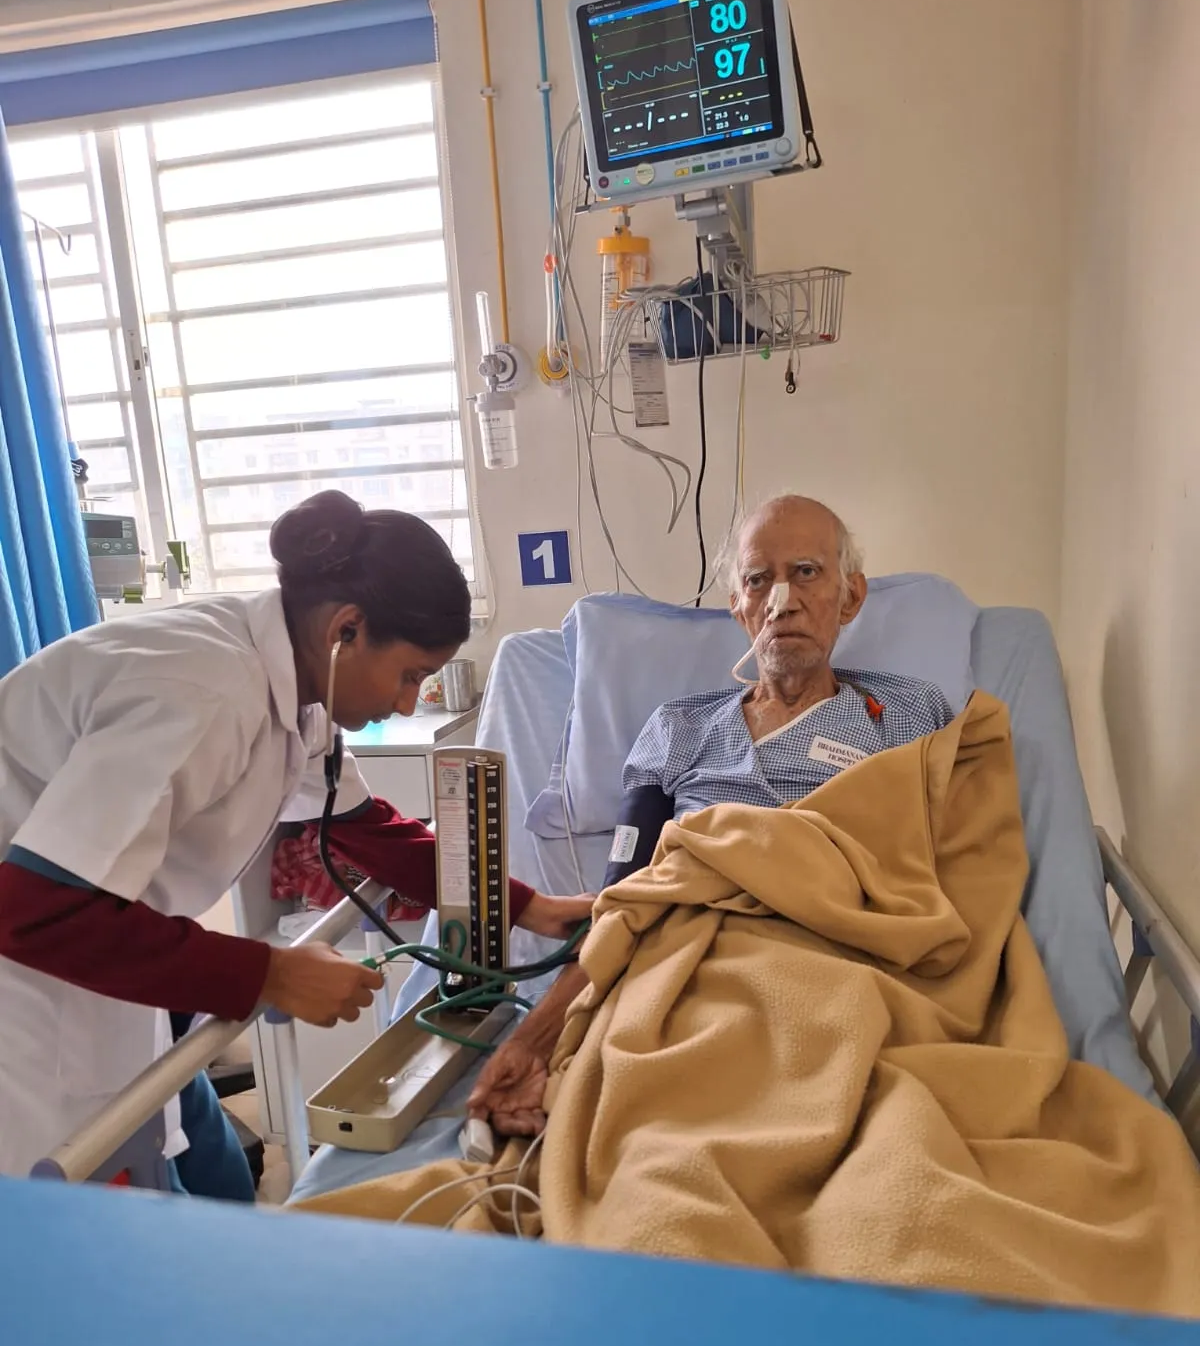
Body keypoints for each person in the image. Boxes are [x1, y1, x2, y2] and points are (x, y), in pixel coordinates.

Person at [0, 490, 591, 1188]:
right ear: (347, 629)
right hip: (28, 989)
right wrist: (270, 974)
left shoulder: (295, 687)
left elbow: (365, 829)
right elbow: (33, 909)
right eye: (410, 675)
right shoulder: (205, 690)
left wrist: (527, 906)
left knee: (213, 1172)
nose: (408, 702)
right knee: (98, 1210)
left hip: (102, 954)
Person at [468, 494, 955, 1136]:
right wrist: (538, 1039)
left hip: (841, 964)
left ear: (850, 596)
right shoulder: (679, 728)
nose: (781, 600)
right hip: (691, 968)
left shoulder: (907, 715)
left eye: (806, 572)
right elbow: (626, 900)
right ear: (738, 607)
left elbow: (954, 865)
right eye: (758, 580)